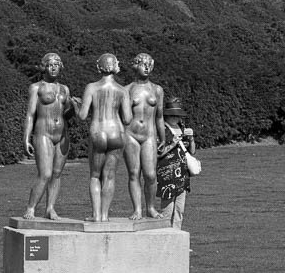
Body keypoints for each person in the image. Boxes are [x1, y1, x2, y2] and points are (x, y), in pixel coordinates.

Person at [22, 52, 79, 220]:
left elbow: (67, 115)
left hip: (62, 135)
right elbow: (30, 115)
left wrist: (73, 107)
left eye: (56, 64)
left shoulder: (64, 89)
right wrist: (26, 138)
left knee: (56, 173)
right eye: (49, 64)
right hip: (43, 134)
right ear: (43, 67)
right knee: (45, 174)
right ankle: (31, 208)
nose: (53, 67)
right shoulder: (36, 88)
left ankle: (50, 208)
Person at [78, 53, 132, 222]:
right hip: (116, 132)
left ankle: (96, 215)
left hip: (98, 131)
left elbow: (82, 115)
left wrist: (77, 104)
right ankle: (105, 215)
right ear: (115, 66)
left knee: (95, 175)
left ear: (98, 67)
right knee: (109, 176)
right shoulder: (122, 90)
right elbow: (128, 119)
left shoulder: (92, 88)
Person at [124, 53, 165, 220]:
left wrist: (163, 138)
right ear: (135, 66)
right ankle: (137, 209)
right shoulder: (126, 90)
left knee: (150, 174)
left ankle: (150, 208)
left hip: (149, 135)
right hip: (130, 135)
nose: (147, 67)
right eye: (143, 64)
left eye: (149, 64)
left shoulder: (157, 89)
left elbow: (160, 116)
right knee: (134, 173)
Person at [157, 98, 196, 230]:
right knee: (167, 210)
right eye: (172, 115)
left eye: (178, 115)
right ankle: (165, 239)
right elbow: (157, 154)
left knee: (179, 210)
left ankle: (177, 239)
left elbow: (192, 152)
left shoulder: (183, 128)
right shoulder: (161, 129)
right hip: (167, 175)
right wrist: (173, 143)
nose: (175, 118)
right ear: (166, 115)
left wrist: (191, 140)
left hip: (182, 175)